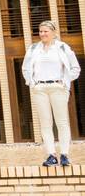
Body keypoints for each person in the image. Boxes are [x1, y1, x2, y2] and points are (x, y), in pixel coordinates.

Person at [21, 19, 81, 166]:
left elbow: (75, 68)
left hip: (58, 88)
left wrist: (65, 82)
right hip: (40, 89)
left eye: (45, 31)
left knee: (62, 122)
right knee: (45, 123)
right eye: (40, 31)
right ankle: (51, 155)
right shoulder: (34, 48)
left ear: (53, 32)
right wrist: (32, 83)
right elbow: (26, 68)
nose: (42, 34)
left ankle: (65, 154)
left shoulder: (62, 48)